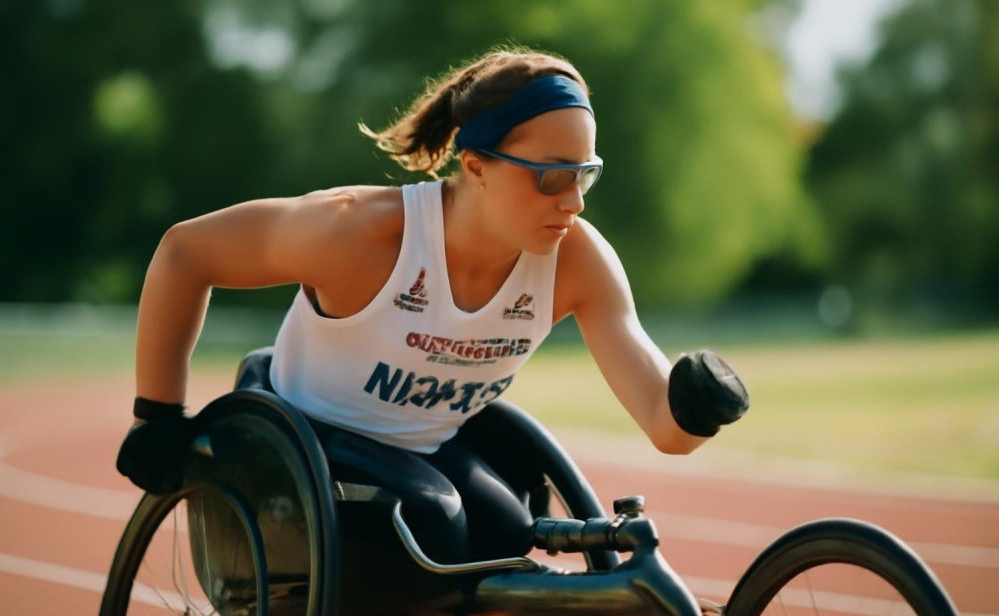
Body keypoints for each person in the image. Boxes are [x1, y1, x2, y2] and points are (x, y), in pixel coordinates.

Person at [117, 47, 749, 565]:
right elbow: (184, 252)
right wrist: (157, 413)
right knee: (432, 522)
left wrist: (697, 406)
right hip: (306, 439)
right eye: (552, 177)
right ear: (475, 166)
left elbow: (663, 425)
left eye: (584, 175)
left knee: (509, 536)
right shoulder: (359, 234)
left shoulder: (577, 261)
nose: (574, 202)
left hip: (426, 449)